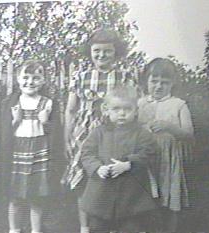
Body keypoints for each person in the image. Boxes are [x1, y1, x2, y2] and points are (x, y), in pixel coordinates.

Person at [62, 28, 135, 233]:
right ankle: (85, 227)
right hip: (84, 134)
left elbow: (132, 107)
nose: (101, 55)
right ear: (90, 52)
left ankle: (112, 225)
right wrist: (67, 137)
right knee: (84, 180)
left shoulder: (125, 75)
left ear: (116, 52)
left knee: (113, 179)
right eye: (97, 51)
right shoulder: (82, 76)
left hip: (115, 133)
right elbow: (70, 109)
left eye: (107, 51)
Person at [0, 60, 54, 233]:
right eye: (26, 77)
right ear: (17, 79)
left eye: (36, 78)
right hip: (17, 151)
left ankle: (36, 230)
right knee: (15, 196)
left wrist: (45, 122)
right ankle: (14, 229)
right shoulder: (10, 104)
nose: (30, 82)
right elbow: (3, 132)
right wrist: (16, 120)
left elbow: (54, 132)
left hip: (38, 151)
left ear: (43, 81)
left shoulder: (47, 103)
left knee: (36, 195)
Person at [80, 86, 159, 233]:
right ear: (106, 110)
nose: (122, 113)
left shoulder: (141, 133)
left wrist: (129, 164)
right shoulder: (99, 132)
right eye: (116, 109)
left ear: (135, 111)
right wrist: (97, 167)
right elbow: (86, 153)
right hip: (101, 193)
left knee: (131, 228)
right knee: (98, 227)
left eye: (127, 109)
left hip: (131, 196)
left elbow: (150, 152)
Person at [138, 57, 195, 232]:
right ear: (146, 81)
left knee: (171, 198)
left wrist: (170, 127)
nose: (159, 86)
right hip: (146, 160)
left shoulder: (178, 105)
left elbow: (188, 133)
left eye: (164, 82)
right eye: (154, 81)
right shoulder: (140, 104)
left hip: (169, 161)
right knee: (146, 198)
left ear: (172, 84)